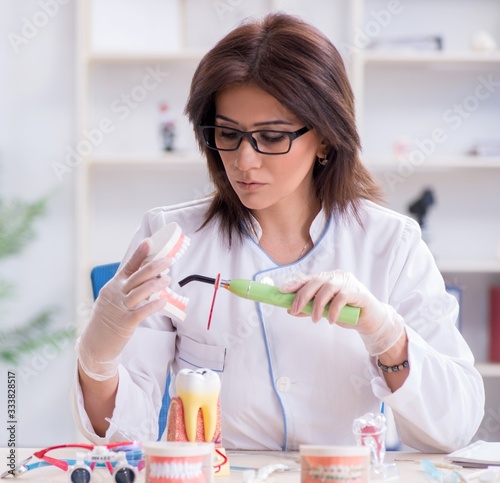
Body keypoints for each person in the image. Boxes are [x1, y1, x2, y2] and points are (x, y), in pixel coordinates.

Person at [72, 12, 484, 452]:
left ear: (325, 137)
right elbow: (123, 436)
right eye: (227, 134)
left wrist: (385, 333)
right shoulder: (170, 236)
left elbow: (452, 430)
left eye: (271, 137)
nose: (244, 161)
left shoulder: (391, 244)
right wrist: (97, 359)